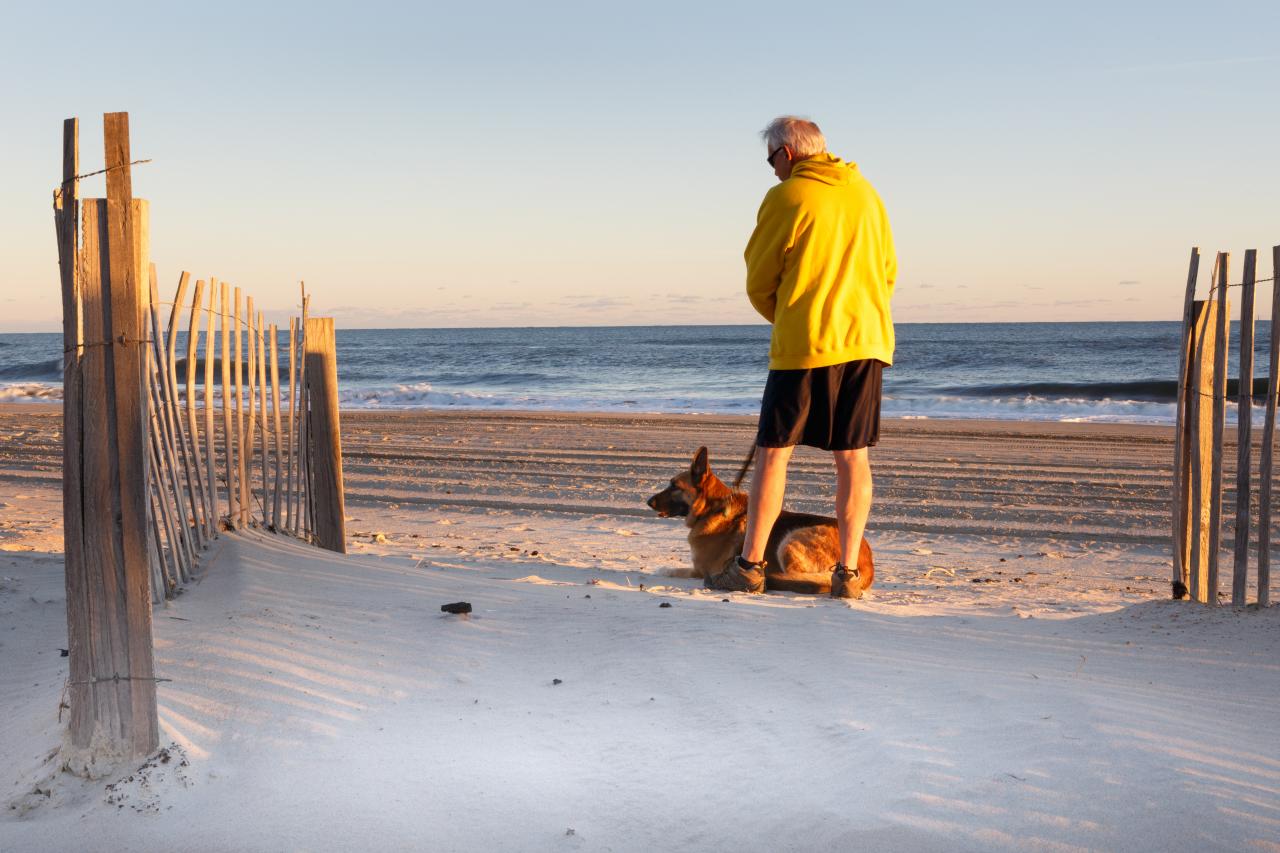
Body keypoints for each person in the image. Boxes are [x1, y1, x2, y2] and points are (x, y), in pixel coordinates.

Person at [706, 116, 896, 598]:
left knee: (773, 455)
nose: (771, 171)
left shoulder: (787, 196)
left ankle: (748, 567)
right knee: (853, 459)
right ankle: (848, 573)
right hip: (867, 340)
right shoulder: (867, 194)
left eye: (770, 161)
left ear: (786, 154)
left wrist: (788, 317)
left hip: (806, 343)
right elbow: (889, 270)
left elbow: (758, 280)